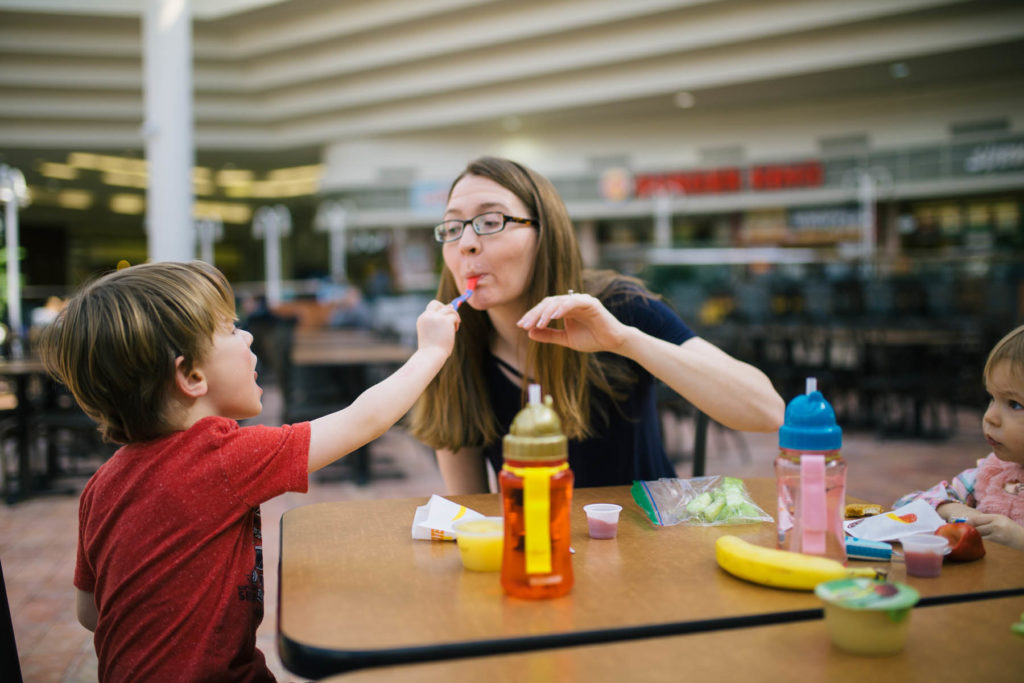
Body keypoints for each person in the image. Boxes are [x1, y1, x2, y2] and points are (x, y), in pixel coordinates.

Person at [37, 261, 458, 682]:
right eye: (231, 328)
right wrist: (432, 352)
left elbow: (90, 611)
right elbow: (363, 420)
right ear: (191, 375)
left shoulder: (100, 486)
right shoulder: (220, 457)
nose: (250, 334)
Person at [410, 156, 785, 493]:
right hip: (539, 549)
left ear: (546, 234)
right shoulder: (449, 346)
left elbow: (767, 412)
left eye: (490, 222)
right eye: (452, 227)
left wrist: (624, 340)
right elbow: (469, 510)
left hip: (650, 543)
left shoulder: (618, 305)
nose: (467, 244)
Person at [893, 324, 1024, 550]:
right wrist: (952, 509)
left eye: (1014, 404)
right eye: (992, 398)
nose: (990, 416)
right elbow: (904, 506)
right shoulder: (991, 474)